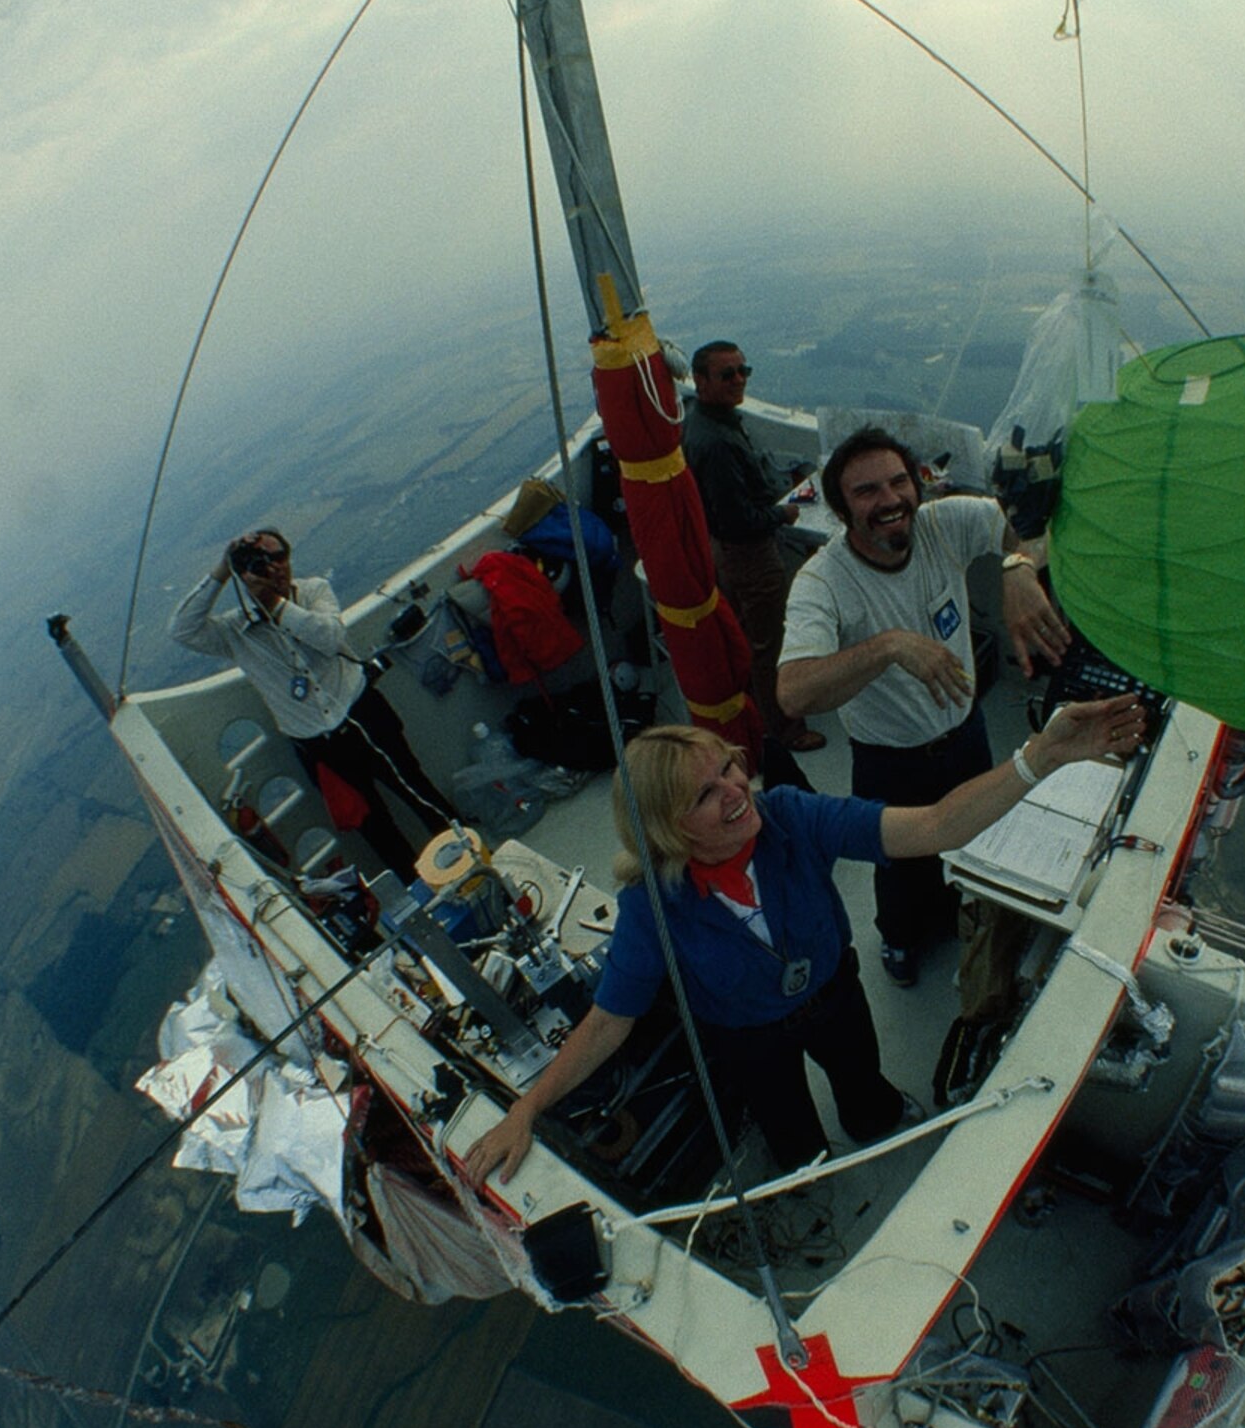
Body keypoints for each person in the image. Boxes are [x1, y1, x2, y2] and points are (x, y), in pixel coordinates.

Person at [461, 694, 1149, 1187]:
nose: (736, 790)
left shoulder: (788, 815)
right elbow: (610, 1021)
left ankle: (875, 1116)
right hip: (750, 1039)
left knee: (863, 1080)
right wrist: (525, 1109)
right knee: (790, 1129)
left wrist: (1042, 758)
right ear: (671, 829)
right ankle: (809, 1175)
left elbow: (936, 826)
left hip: (835, 991)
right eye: (705, 794)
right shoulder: (651, 907)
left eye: (729, 768)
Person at [774, 427, 1073, 984]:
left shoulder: (945, 523)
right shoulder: (823, 582)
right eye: (866, 492)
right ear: (841, 510)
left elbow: (1036, 524)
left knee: (981, 833)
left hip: (965, 730)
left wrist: (1018, 568)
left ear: (919, 485)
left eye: (898, 482)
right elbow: (793, 691)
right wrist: (890, 646)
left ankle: (966, 912)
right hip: (890, 757)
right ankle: (900, 939)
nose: (889, 501)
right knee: (902, 867)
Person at [171, 529, 468, 878]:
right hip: (318, 747)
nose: (273, 568)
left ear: (289, 556)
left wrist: (276, 606)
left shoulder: (313, 591)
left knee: (416, 790)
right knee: (373, 826)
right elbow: (182, 629)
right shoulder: (236, 631)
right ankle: (425, 895)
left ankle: (470, 858)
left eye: (277, 555)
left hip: (362, 715)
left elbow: (329, 637)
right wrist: (222, 570)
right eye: (260, 562)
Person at [678, 340, 823, 787]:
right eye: (727, 375)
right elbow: (739, 521)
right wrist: (783, 513)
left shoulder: (706, 422)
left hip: (725, 551)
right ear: (700, 382)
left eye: (744, 371)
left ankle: (759, 716)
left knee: (747, 638)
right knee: (769, 643)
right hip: (748, 554)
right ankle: (785, 730)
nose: (739, 380)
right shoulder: (717, 442)